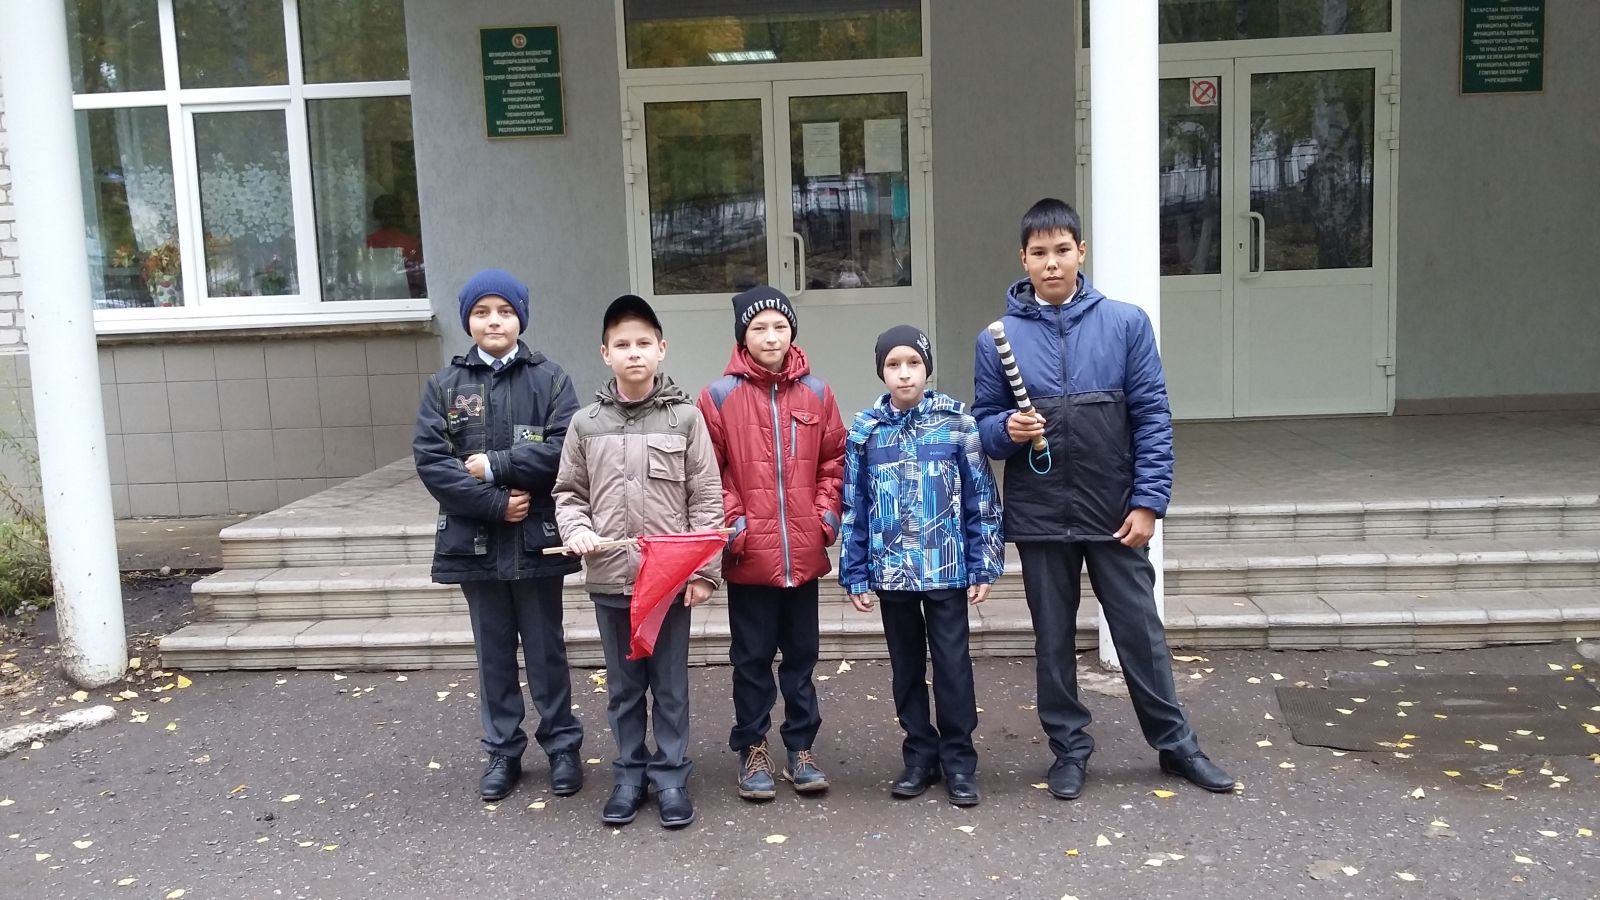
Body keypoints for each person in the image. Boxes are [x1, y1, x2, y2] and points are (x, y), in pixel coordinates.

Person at [971, 198, 1235, 800]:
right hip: (1041, 515)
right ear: (1023, 259)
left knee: (1140, 633)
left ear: (1081, 252)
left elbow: (1152, 418)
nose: (1052, 263)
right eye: (1039, 253)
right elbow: (982, 425)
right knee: (1053, 642)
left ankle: (1176, 745)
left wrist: (1149, 502)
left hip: (1115, 510)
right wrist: (1007, 430)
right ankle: (1069, 749)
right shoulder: (997, 339)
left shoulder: (1125, 323)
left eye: (1062, 250)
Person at [412, 268, 584, 803]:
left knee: (546, 652)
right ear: (468, 320)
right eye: (482, 312)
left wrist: (495, 466)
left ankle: (562, 748)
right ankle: (503, 752)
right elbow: (433, 461)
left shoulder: (550, 380)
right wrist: (494, 504)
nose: (494, 321)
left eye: (505, 312)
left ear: (520, 319)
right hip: (476, 544)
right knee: (493, 656)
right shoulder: (444, 386)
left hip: (537, 543)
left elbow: (564, 449)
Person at [553, 294, 723, 829]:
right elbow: (568, 493)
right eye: (622, 344)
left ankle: (671, 777)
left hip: (668, 584)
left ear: (661, 349)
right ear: (605, 353)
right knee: (624, 688)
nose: (634, 353)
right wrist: (577, 531)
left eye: (643, 343)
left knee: (670, 688)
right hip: (611, 581)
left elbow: (706, 499)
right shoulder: (585, 424)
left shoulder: (685, 420)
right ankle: (629, 775)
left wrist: (703, 572)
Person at [839, 325, 1004, 807]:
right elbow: (855, 505)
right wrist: (855, 571)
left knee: (952, 665)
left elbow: (980, 498)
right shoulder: (866, 431)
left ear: (927, 368)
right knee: (906, 667)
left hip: (945, 568)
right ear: (881, 372)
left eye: (913, 363)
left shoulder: (957, 425)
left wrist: (983, 563)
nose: (904, 373)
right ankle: (919, 755)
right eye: (893, 365)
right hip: (892, 572)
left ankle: (959, 760)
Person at [695, 285, 846, 802]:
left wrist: (824, 518)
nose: (770, 336)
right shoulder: (718, 397)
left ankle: (801, 748)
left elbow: (833, 462)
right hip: (750, 555)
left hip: (803, 553)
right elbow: (709, 473)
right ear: (743, 336)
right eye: (758, 328)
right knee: (752, 659)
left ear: (792, 332)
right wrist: (734, 526)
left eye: (780, 326)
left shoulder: (818, 393)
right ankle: (753, 747)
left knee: (802, 659)